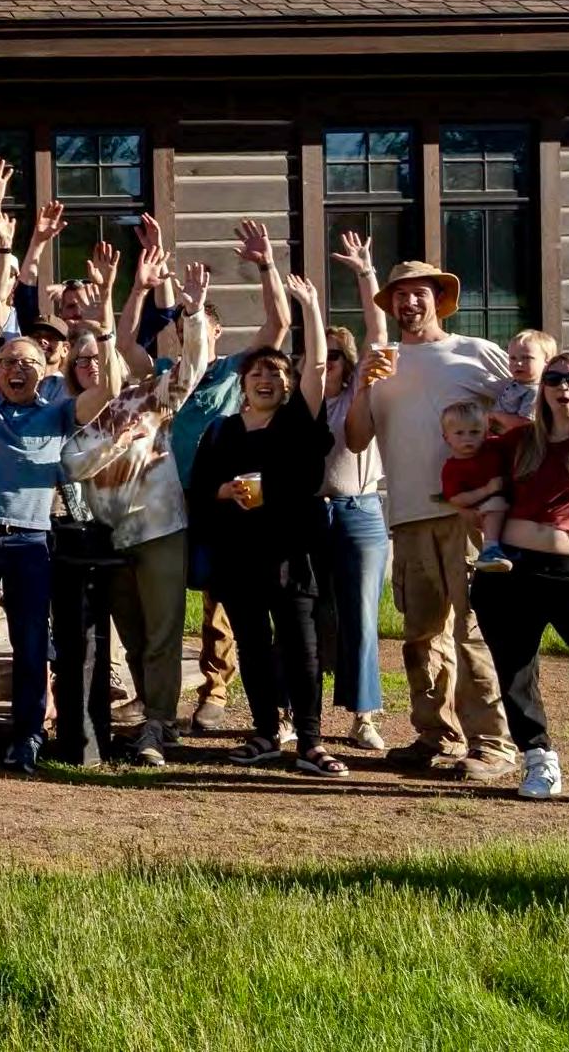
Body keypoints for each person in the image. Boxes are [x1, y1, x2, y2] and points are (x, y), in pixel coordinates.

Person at [0, 242, 122, 774]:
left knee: (31, 645)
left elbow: (109, 386)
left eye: (28, 362)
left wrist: (104, 317)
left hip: (31, 542)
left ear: (45, 370)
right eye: (9, 361)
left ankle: (26, 739)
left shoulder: (59, 411)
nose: (18, 369)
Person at [346, 260, 517, 781]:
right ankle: (436, 735)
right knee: (421, 634)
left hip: (470, 518)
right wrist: (361, 387)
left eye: (419, 293)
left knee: (474, 632)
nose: (409, 302)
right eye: (400, 295)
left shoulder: (476, 352)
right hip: (407, 516)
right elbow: (355, 439)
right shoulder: (381, 364)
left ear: (439, 300)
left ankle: (493, 743)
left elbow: (523, 417)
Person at [121, 217, 291, 736]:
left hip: (224, 497)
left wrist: (266, 266)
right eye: (178, 328)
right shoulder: (165, 376)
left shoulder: (235, 370)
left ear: (215, 333)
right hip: (170, 500)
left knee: (221, 596)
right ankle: (156, 696)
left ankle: (214, 690)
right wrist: (143, 281)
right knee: (164, 602)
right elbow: (127, 346)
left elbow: (278, 325)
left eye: (196, 326)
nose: (186, 334)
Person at [189, 275, 344, 776]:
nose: (266, 378)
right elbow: (198, 488)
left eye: (276, 373)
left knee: (302, 647)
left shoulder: (296, 422)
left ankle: (311, 743)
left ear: (287, 386)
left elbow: (316, 364)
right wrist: (224, 491)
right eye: (257, 372)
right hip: (238, 555)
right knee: (253, 647)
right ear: (243, 385)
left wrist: (310, 305)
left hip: (291, 552)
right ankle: (264, 733)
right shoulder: (221, 431)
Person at [61, 259, 211, 766]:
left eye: (98, 356)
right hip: (108, 539)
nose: (92, 365)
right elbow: (73, 464)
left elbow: (191, 370)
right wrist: (115, 444)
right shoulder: (74, 417)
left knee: (164, 631)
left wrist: (192, 313)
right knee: (132, 634)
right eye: (82, 360)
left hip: (160, 528)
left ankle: (158, 722)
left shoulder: (147, 398)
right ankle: (153, 711)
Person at [470, 353, 569, 803]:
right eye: (553, 378)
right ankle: (538, 759)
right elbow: (466, 469)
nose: (563, 386)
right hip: (509, 571)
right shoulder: (519, 440)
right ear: (543, 388)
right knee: (516, 671)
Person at [316, 231, 391, 752]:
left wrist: (366, 274)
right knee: (306, 614)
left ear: (347, 363)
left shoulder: (359, 396)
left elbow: (378, 333)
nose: (325, 366)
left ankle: (364, 717)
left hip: (360, 513)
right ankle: (294, 710)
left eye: (333, 359)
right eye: (316, 359)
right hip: (307, 516)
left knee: (361, 617)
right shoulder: (299, 405)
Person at [440, 400, 513, 572]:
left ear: (485, 433)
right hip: (480, 513)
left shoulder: (493, 449)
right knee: (495, 504)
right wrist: (487, 490)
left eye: (474, 432)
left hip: (513, 509)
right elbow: (456, 499)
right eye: (459, 433)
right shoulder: (452, 468)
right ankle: (490, 550)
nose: (467, 438)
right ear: (447, 438)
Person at [494, 330, 558, 423]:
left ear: (547, 362)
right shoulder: (516, 383)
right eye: (513, 358)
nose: (518, 363)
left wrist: (496, 416)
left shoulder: (535, 392)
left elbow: (525, 424)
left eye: (526, 358)